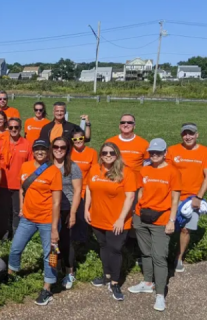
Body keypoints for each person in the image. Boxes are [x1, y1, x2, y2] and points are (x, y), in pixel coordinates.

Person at [128, 138, 181, 312]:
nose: (155, 155)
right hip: (142, 217)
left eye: (158, 152)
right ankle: (147, 282)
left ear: (165, 153)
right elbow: (140, 193)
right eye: (152, 152)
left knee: (159, 256)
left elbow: (175, 199)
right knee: (145, 252)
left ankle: (160, 294)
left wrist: (172, 220)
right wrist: (137, 213)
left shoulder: (173, 172)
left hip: (161, 220)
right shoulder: (145, 170)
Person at [8, 139, 62, 306]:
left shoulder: (54, 172)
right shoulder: (26, 167)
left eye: (43, 149)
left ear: (48, 151)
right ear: (33, 151)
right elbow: (22, 189)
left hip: (47, 221)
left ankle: (48, 287)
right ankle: (11, 275)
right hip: (28, 219)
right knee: (15, 247)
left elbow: (56, 202)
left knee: (51, 255)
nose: (40, 152)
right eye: (37, 149)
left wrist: (54, 228)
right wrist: (22, 208)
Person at [85, 142, 136, 301]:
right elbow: (88, 188)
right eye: (105, 153)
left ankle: (115, 282)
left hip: (116, 221)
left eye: (111, 153)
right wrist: (86, 208)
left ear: (117, 155)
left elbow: (130, 196)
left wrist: (121, 219)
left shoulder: (125, 172)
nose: (108, 155)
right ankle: (106, 275)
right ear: (100, 154)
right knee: (103, 246)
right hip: (97, 217)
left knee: (115, 249)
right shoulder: (95, 169)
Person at [166, 123, 207, 272]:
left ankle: (178, 258)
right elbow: (165, 171)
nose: (188, 136)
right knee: (164, 226)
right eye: (185, 134)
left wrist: (198, 198)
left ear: (197, 135)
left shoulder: (206, 152)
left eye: (191, 133)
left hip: (192, 198)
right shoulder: (172, 150)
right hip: (172, 195)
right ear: (181, 135)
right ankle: (160, 255)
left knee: (186, 229)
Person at [50, 137, 82, 290]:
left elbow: (77, 191)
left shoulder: (73, 167)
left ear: (67, 149)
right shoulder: (47, 165)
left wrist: (73, 213)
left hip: (66, 209)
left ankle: (69, 271)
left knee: (66, 242)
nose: (59, 149)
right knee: (52, 242)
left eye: (63, 147)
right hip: (50, 209)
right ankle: (55, 268)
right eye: (56, 146)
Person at [0, 118, 32, 240]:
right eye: (11, 127)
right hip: (3, 184)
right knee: (4, 212)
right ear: (7, 128)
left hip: (19, 186)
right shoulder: (1, 144)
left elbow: (31, 166)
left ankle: (16, 236)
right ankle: (4, 235)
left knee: (17, 212)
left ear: (20, 128)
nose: (13, 130)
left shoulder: (27, 144)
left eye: (16, 127)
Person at [106, 113, 149, 187]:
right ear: (119, 126)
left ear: (134, 126)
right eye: (123, 122)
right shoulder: (110, 142)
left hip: (136, 185)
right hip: (114, 184)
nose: (126, 125)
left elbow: (148, 166)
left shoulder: (144, 143)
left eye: (129, 122)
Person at [70, 128, 98, 242]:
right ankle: (70, 239)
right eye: (75, 139)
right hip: (70, 189)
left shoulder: (92, 153)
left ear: (84, 139)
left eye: (80, 138)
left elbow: (95, 171)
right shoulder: (68, 151)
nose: (78, 141)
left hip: (85, 190)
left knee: (82, 217)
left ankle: (82, 242)